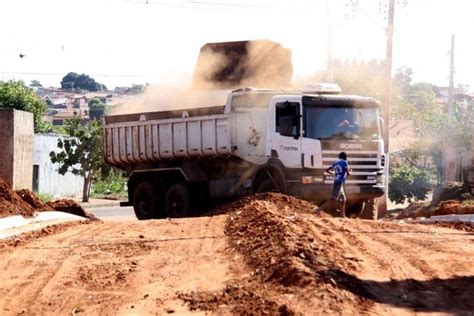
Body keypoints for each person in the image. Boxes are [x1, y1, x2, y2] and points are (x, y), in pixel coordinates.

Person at [324, 151, 351, 218]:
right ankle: (318, 210)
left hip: (337, 181)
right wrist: (351, 171)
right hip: (340, 182)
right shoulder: (345, 162)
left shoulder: (335, 163)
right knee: (333, 199)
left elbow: (327, 170)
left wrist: (333, 173)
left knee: (343, 199)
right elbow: (348, 173)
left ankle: (343, 215)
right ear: (345, 157)